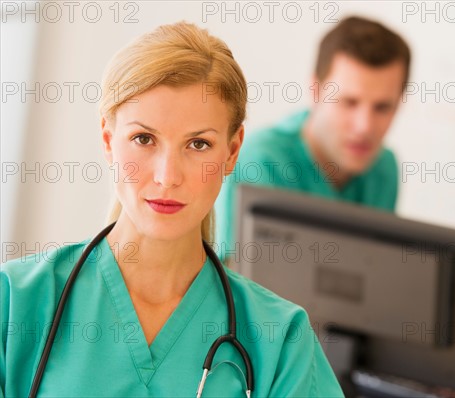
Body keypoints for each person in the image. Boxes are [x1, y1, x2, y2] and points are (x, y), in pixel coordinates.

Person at [0, 22, 344, 398]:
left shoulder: (280, 341)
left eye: (198, 144)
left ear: (232, 151)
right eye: (143, 139)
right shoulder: (15, 302)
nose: (167, 177)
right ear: (108, 140)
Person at [214, 16, 410, 260]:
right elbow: (235, 284)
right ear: (316, 91)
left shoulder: (385, 168)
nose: (364, 127)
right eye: (349, 102)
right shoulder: (261, 160)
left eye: (382, 107)